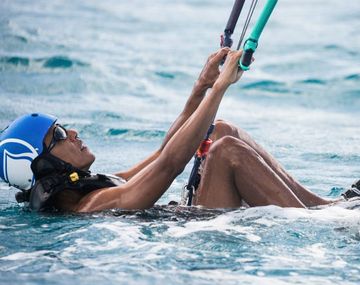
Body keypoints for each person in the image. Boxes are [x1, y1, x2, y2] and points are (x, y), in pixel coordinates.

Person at [0, 48, 358, 213]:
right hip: (201, 235)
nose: (73, 133)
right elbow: (170, 165)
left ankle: (330, 208)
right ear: (44, 167)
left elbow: (160, 153)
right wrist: (221, 90)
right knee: (225, 152)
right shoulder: (93, 204)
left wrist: (201, 88)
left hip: (194, 219)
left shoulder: (99, 182)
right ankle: (331, 226)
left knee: (219, 130)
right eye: (58, 136)